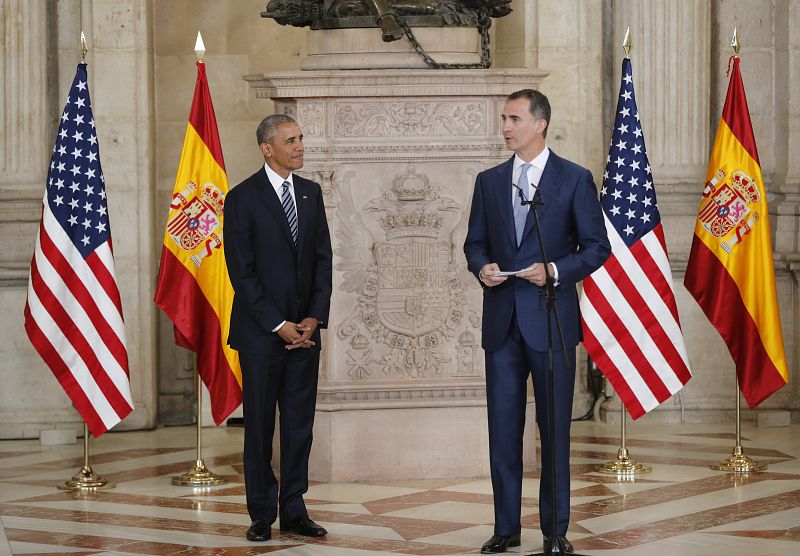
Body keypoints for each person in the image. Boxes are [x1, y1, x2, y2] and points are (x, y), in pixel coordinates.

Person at [463, 89, 610, 554]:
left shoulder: (573, 179)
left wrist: (553, 271)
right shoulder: (489, 181)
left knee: (554, 431)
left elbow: (596, 248)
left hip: (550, 321)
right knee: (503, 430)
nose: (505, 126)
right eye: (504, 119)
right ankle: (505, 528)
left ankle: (555, 532)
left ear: (540, 123)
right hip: (502, 322)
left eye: (514, 118)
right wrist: (481, 267)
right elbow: (475, 242)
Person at [224, 114, 333, 542]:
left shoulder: (310, 193)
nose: (300, 146)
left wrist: (313, 318)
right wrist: (278, 323)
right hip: (260, 334)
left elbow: (323, 259)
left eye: (301, 138)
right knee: (260, 428)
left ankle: (294, 509)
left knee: (299, 425)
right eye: (291, 141)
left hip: (305, 334)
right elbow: (242, 274)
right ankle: (259, 513)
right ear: (267, 148)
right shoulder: (242, 198)